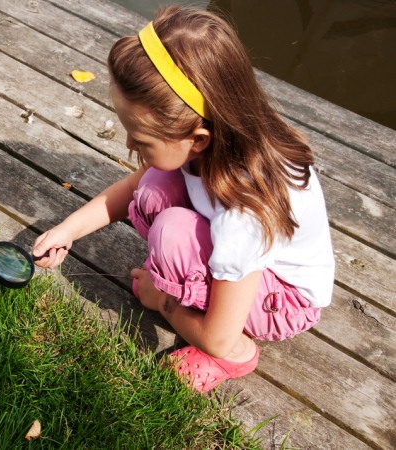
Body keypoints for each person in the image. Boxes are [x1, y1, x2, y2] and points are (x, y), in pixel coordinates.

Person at [31, 6, 335, 393]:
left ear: (198, 138)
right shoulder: (218, 133)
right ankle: (190, 279)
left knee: (172, 232)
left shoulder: (245, 210)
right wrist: (67, 231)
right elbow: (131, 191)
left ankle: (238, 359)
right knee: (155, 185)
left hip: (282, 301)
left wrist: (163, 302)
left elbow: (218, 336)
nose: (128, 146)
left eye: (140, 140)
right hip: (245, 260)